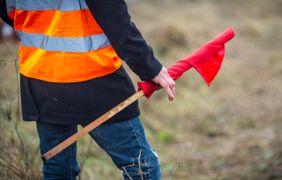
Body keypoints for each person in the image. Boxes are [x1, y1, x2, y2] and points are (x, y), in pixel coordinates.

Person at [0, 0, 176, 179]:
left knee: (58, 170)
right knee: (141, 166)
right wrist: (149, 67)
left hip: (39, 75)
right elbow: (113, 14)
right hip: (92, 77)